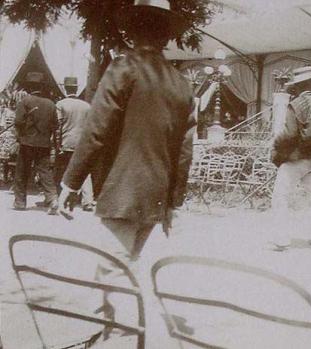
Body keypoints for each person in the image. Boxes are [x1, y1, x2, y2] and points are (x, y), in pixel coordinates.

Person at [58, 0, 195, 345]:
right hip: (155, 194)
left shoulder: (124, 68)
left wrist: (69, 183)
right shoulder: (181, 83)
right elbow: (184, 150)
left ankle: (128, 338)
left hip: (123, 190)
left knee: (114, 272)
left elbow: (95, 129)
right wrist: (174, 202)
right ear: (166, 35)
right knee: (122, 267)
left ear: (133, 30)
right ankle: (108, 334)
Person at [269, 66, 311, 252]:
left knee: (280, 196)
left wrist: (276, 146)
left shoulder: (297, 104)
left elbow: (290, 134)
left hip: (295, 158)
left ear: (298, 86)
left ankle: (281, 238)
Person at [13, 72, 59, 214]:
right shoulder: (51, 104)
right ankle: (52, 199)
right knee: (45, 172)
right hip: (44, 143)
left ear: (29, 87)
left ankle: (20, 202)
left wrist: (20, 136)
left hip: (27, 142)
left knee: (22, 172)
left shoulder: (25, 101)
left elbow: (18, 122)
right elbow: (55, 125)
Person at [53, 77, 93, 211]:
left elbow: (57, 127)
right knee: (84, 172)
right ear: (76, 89)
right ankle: (87, 201)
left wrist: (57, 145)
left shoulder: (61, 104)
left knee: (62, 170)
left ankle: (60, 199)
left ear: (65, 88)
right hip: (82, 144)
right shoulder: (87, 106)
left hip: (66, 142)